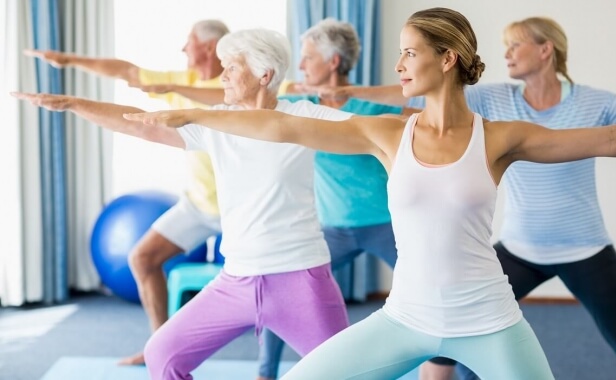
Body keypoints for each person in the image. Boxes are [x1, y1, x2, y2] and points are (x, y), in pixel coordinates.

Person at [119, 7, 616, 379]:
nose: (398, 65)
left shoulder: (499, 136)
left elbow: (607, 137)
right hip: (406, 319)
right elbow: (283, 127)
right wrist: (197, 112)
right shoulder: (389, 133)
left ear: (445, 59)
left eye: (408, 53)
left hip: (489, 319)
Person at [13, 28, 361, 380]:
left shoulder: (305, 116)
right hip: (236, 281)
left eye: (231, 68)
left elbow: (371, 131)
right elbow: (138, 124)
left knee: (348, 373)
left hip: (299, 278)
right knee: (162, 355)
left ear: (264, 75)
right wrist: (74, 104)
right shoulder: (216, 124)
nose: (221, 76)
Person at [326, 16, 616, 380]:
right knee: (455, 341)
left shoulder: (594, 101)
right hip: (521, 247)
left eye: (516, 45)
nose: (506, 53)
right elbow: (415, 89)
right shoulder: (493, 98)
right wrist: (350, 93)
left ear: (545, 50)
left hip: (585, 249)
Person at [255, 18, 451, 380]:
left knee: (439, 292)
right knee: (282, 287)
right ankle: (265, 374)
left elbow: (438, 119)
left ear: (332, 62)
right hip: (333, 230)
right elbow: (246, 110)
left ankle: (464, 372)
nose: (301, 66)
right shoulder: (301, 106)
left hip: (385, 226)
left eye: (308, 58)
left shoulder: (378, 108)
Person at [25, 19, 230, 366]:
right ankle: (159, 347)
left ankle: (266, 367)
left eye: (189, 41)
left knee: (267, 282)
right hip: (197, 205)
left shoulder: (241, 86)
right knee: (142, 258)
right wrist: (70, 61)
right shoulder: (181, 82)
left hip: (239, 209)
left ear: (208, 47)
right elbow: (127, 71)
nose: (183, 49)